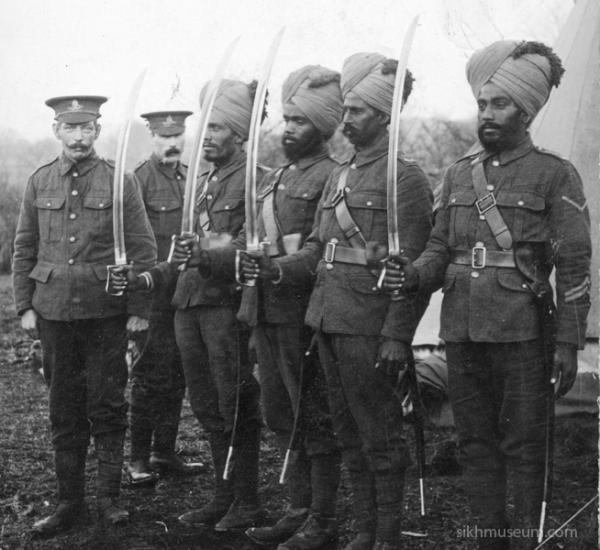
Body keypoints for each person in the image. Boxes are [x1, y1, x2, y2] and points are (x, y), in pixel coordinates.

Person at [382, 40, 591, 550]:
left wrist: (568, 343)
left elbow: (576, 268)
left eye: (500, 104)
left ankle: (522, 540)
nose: (488, 114)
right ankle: (489, 540)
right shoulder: (457, 174)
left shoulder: (554, 173)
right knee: (474, 443)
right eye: (482, 104)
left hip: (522, 331)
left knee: (523, 445)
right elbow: (438, 249)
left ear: (526, 110)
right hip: (462, 328)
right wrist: (411, 274)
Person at [241, 53, 433, 550]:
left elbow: (414, 270)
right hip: (326, 319)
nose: (346, 120)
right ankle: (363, 532)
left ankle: (387, 536)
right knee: (346, 435)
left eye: (358, 111)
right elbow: (318, 250)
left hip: (369, 326)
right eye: (344, 110)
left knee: (381, 438)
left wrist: (396, 335)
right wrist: (277, 268)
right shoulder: (340, 173)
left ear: (385, 116)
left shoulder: (405, 179)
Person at [192, 65, 345, 550]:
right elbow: (251, 245)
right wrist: (212, 254)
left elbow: (322, 249)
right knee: (280, 415)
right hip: (262, 313)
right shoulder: (275, 177)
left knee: (312, 417)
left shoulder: (332, 176)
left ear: (323, 126)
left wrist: (277, 268)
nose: (289, 128)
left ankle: (321, 518)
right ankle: (296, 509)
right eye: (286, 118)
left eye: (300, 120)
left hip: (302, 314)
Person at [110, 80, 267, 532]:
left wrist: (209, 254)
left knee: (235, 403)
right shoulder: (203, 180)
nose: (208, 136)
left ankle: (249, 500)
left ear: (239, 133)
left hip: (226, 307)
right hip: (185, 303)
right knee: (205, 406)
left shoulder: (255, 178)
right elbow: (180, 252)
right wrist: (147, 279)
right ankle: (224, 495)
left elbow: (248, 244)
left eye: (219, 127)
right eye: (208, 127)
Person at [12, 95, 157, 536]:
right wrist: (24, 306)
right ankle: (68, 504)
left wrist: (138, 309)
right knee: (64, 408)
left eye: (87, 128)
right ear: (57, 130)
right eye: (70, 128)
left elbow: (144, 249)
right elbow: (24, 247)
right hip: (54, 314)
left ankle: (109, 502)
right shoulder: (39, 181)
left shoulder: (120, 182)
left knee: (108, 405)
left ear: (98, 130)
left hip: (105, 315)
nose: (79, 136)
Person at [123, 108, 205, 486]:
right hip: (153, 295)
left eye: (177, 136)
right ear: (152, 138)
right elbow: (130, 245)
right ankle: (138, 458)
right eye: (164, 137)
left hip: (186, 294)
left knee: (178, 373)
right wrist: (136, 306)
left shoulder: (191, 179)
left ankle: (164, 452)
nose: (172, 143)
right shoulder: (137, 180)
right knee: (147, 375)